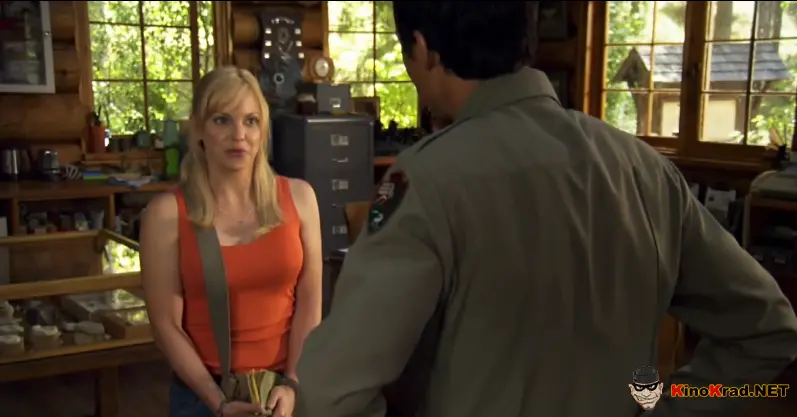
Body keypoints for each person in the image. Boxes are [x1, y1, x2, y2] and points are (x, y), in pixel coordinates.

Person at [295, 2, 797, 417]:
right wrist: (672, 406)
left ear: (423, 49)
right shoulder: (645, 169)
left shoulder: (425, 182)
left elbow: (330, 392)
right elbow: (769, 329)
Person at [140, 66, 323, 417]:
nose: (239, 135)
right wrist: (218, 402)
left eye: (251, 121)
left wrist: (292, 383)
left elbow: (310, 301)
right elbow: (165, 326)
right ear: (198, 129)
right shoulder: (166, 214)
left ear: (262, 130)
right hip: (204, 395)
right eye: (222, 120)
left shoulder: (301, 198)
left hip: (287, 391)